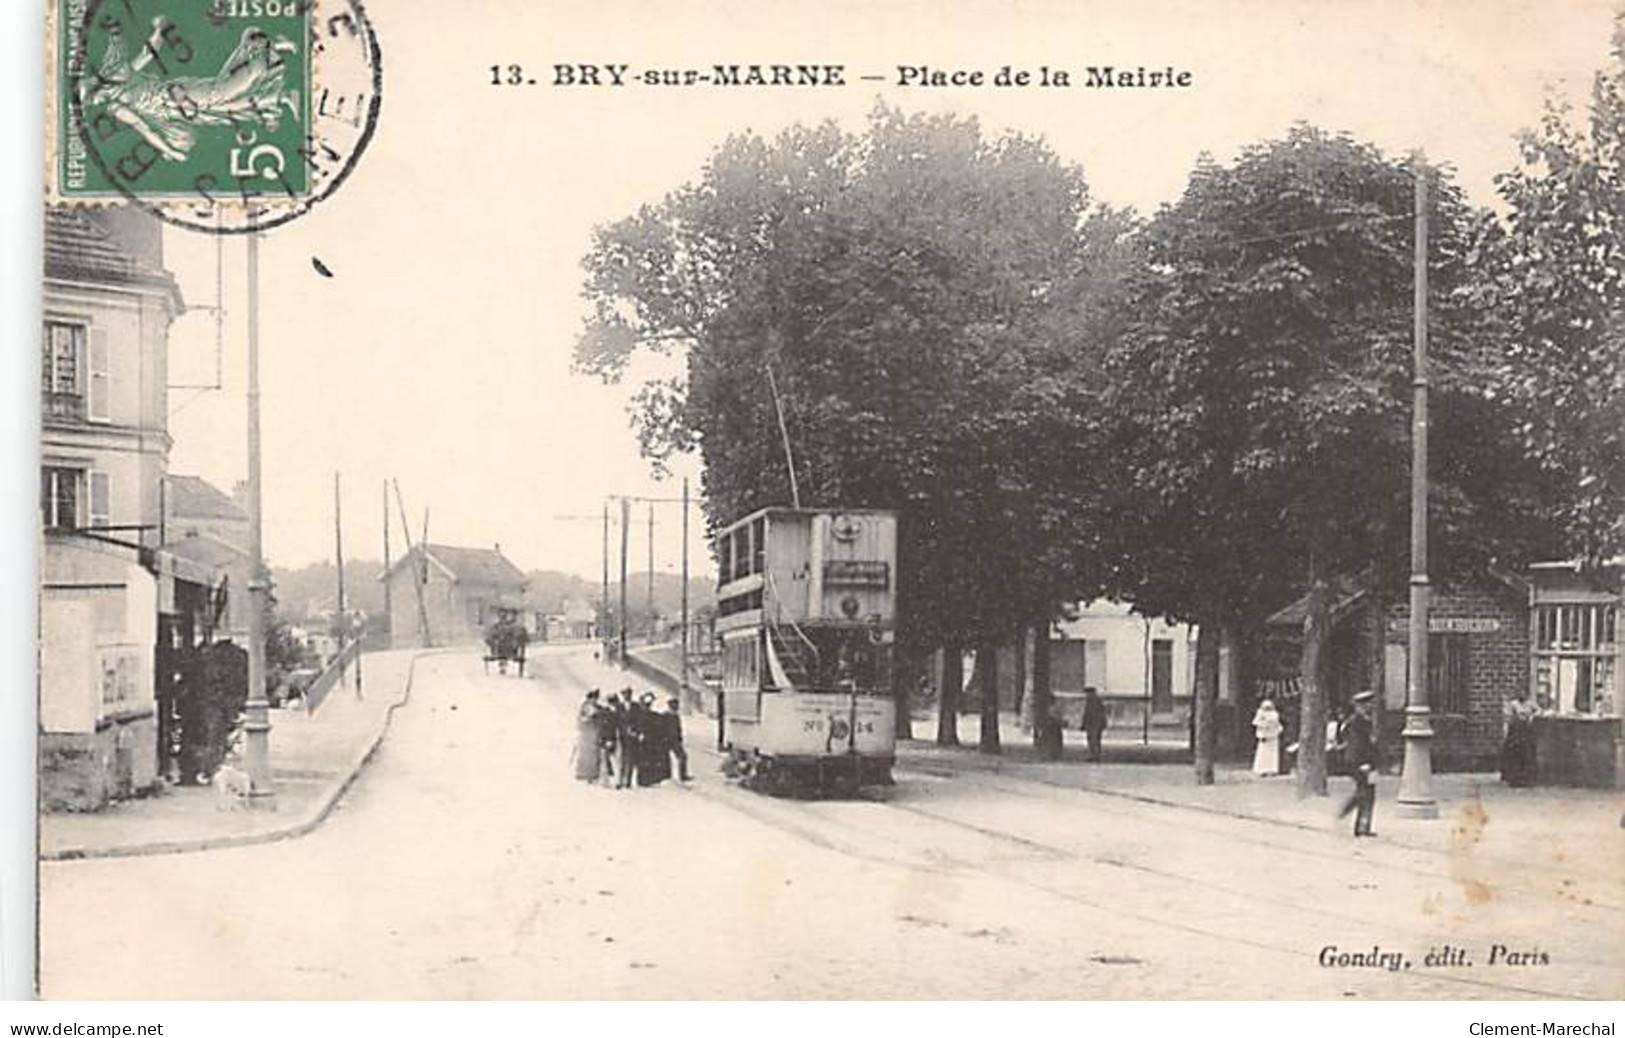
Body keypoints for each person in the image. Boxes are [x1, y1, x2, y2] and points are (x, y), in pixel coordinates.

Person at [1336, 690, 1378, 837]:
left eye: (1370, 704)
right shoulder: (1357, 722)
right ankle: (1359, 825)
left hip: (1367, 763)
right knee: (1365, 793)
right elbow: (1357, 744)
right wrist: (1363, 763)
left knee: (1367, 792)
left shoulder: (1364, 720)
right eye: (1366, 704)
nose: (1369, 707)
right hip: (1361, 763)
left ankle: (1361, 825)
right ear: (1359, 706)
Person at [1500, 696, 1538, 787]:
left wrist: (1531, 717)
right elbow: (1508, 718)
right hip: (1515, 732)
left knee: (1527, 753)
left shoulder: (1530, 704)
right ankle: (1513, 778)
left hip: (1526, 731)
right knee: (1514, 753)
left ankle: (1526, 778)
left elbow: (1538, 711)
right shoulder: (1513, 704)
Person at [637, 692, 672, 786]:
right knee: (645, 760)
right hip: (646, 740)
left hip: (652, 739)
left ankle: (652, 778)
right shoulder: (640, 714)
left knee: (651, 759)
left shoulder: (655, 715)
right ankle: (645, 779)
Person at [573, 690, 603, 782]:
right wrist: (589, 718)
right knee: (585, 754)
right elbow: (580, 719)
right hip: (586, 733)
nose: (595, 700)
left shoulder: (596, 707)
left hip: (593, 733)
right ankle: (582, 773)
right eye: (594, 698)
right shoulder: (585, 706)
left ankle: (592, 774)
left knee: (593, 754)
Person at [615, 688, 640, 789]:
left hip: (632, 737)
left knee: (630, 759)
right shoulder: (619, 707)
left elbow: (639, 720)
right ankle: (619, 781)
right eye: (625, 694)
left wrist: (635, 731)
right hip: (621, 736)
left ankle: (627, 781)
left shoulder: (636, 706)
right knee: (621, 758)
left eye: (629, 694)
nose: (627, 696)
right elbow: (616, 721)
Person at [662, 696, 692, 782]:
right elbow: (661, 727)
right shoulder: (665, 715)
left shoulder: (676, 716)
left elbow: (678, 729)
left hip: (675, 740)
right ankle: (667, 776)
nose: (676, 707)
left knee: (683, 756)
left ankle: (683, 775)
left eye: (677, 705)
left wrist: (680, 738)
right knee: (666, 759)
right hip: (667, 740)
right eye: (674, 705)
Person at [1251, 698, 1283, 776]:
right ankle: (1261, 770)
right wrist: (1263, 727)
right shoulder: (1260, 713)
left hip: (1273, 737)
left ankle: (1272, 770)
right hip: (1264, 737)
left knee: (1272, 755)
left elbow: (1278, 725)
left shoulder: (1275, 714)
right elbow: (1256, 723)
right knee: (1262, 754)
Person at [1080, 688, 1108, 762]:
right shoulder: (1098, 701)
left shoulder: (1091, 702)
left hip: (1093, 724)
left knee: (1093, 740)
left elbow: (1088, 714)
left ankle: (1094, 755)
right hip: (1096, 724)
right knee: (1095, 740)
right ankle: (1095, 755)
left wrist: (1084, 724)